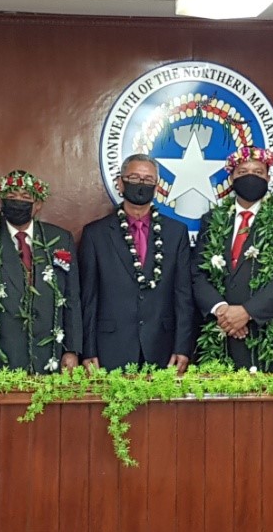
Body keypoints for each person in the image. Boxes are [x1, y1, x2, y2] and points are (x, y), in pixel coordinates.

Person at [192, 146, 273, 372]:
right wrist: (222, 310)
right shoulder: (211, 220)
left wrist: (246, 312)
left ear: (268, 178)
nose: (250, 177)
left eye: (258, 172)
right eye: (243, 172)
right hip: (222, 338)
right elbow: (197, 274)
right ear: (231, 178)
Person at [0, 170, 82, 374]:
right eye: (12, 197)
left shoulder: (60, 239)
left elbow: (72, 299)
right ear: (0, 201)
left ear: (38, 204)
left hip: (50, 357)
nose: (18, 202)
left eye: (25, 197)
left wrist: (72, 350)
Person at [79, 154, 195, 372]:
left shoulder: (176, 232)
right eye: (134, 177)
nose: (141, 184)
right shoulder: (95, 234)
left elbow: (183, 295)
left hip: (163, 347)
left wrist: (183, 347)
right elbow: (88, 298)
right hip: (109, 348)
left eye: (148, 180)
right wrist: (88, 350)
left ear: (157, 186)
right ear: (121, 183)